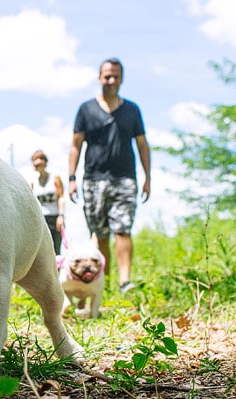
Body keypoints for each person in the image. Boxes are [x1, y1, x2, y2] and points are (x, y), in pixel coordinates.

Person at [68, 57, 151, 294]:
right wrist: (72, 178)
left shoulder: (132, 110)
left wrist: (148, 178)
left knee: (123, 228)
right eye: (107, 76)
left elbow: (143, 145)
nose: (111, 80)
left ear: (121, 79)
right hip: (93, 179)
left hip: (125, 178)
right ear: (99, 78)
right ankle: (104, 282)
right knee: (100, 233)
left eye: (115, 76)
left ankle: (125, 282)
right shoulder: (86, 109)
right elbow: (76, 145)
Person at [27, 149, 65, 254]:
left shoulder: (55, 178)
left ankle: (57, 270)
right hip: (41, 219)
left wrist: (61, 215)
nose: (38, 162)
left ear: (45, 161)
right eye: (35, 160)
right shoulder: (33, 181)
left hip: (55, 217)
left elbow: (61, 196)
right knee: (42, 251)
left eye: (40, 159)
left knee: (56, 250)